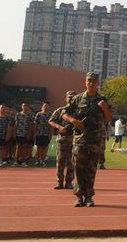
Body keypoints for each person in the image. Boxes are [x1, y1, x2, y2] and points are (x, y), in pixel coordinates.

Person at [62, 72, 111, 207]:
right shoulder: (77, 98)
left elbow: (108, 117)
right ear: (85, 82)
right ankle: (79, 196)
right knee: (78, 168)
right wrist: (74, 121)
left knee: (91, 169)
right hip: (80, 140)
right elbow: (64, 114)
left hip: (95, 140)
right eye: (89, 80)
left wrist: (105, 108)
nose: (91, 83)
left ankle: (89, 196)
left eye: (94, 81)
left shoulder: (102, 99)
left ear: (98, 83)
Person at [49, 92, 76, 189]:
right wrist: (59, 127)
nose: (71, 99)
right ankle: (59, 182)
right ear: (66, 99)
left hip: (74, 140)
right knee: (60, 162)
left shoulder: (78, 111)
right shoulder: (60, 110)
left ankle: (69, 182)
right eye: (69, 97)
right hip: (62, 140)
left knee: (72, 163)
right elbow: (51, 121)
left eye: (73, 98)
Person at [33, 101, 52, 167]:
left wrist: (50, 134)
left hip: (46, 134)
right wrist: (34, 133)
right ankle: (37, 160)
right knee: (38, 148)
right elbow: (36, 124)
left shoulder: (50, 115)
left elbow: (51, 126)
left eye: (47, 105)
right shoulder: (38, 114)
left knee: (44, 148)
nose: (45, 107)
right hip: (39, 133)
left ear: (49, 107)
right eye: (44, 105)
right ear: (42, 106)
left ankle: (43, 160)